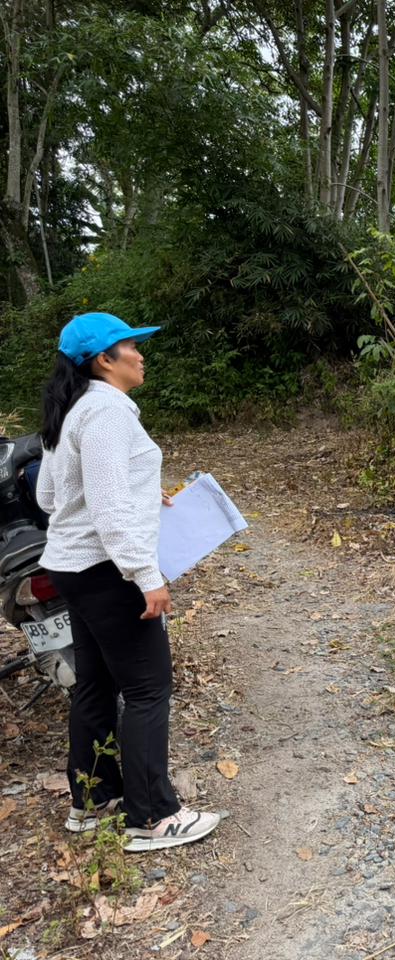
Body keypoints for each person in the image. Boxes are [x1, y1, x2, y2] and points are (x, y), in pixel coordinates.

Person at [35, 312, 221, 852]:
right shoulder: (106, 411)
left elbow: (52, 497)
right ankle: (154, 816)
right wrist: (145, 575)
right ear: (103, 360)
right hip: (107, 572)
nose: (141, 354)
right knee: (146, 687)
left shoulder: (73, 410)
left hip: (70, 566)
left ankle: (93, 802)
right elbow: (110, 507)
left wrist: (144, 493)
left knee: (94, 683)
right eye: (131, 346)